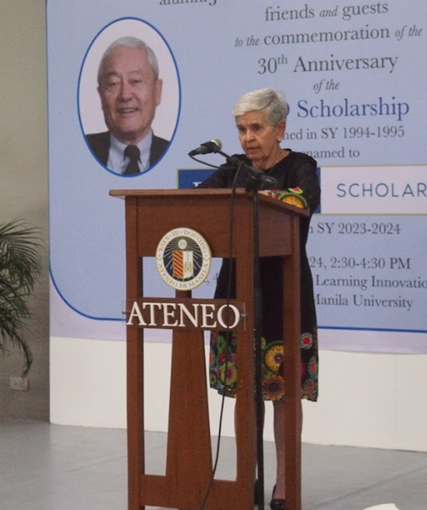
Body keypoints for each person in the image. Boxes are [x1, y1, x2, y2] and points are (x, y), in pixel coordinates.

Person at [198, 88, 319, 510]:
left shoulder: (301, 166)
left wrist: (260, 196)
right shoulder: (232, 169)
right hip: (236, 290)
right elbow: (197, 204)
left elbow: (302, 202)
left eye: (256, 128)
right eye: (241, 129)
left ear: (279, 128)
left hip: (284, 292)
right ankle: (245, 478)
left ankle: (285, 482)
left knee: (285, 392)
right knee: (243, 389)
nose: (247, 138)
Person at [86, 36, 170, 175]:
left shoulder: (176, 154)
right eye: (113, 83)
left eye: (136, 81)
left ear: (157, 91)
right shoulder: (80, 151)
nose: (125, 95)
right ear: (101, 95)